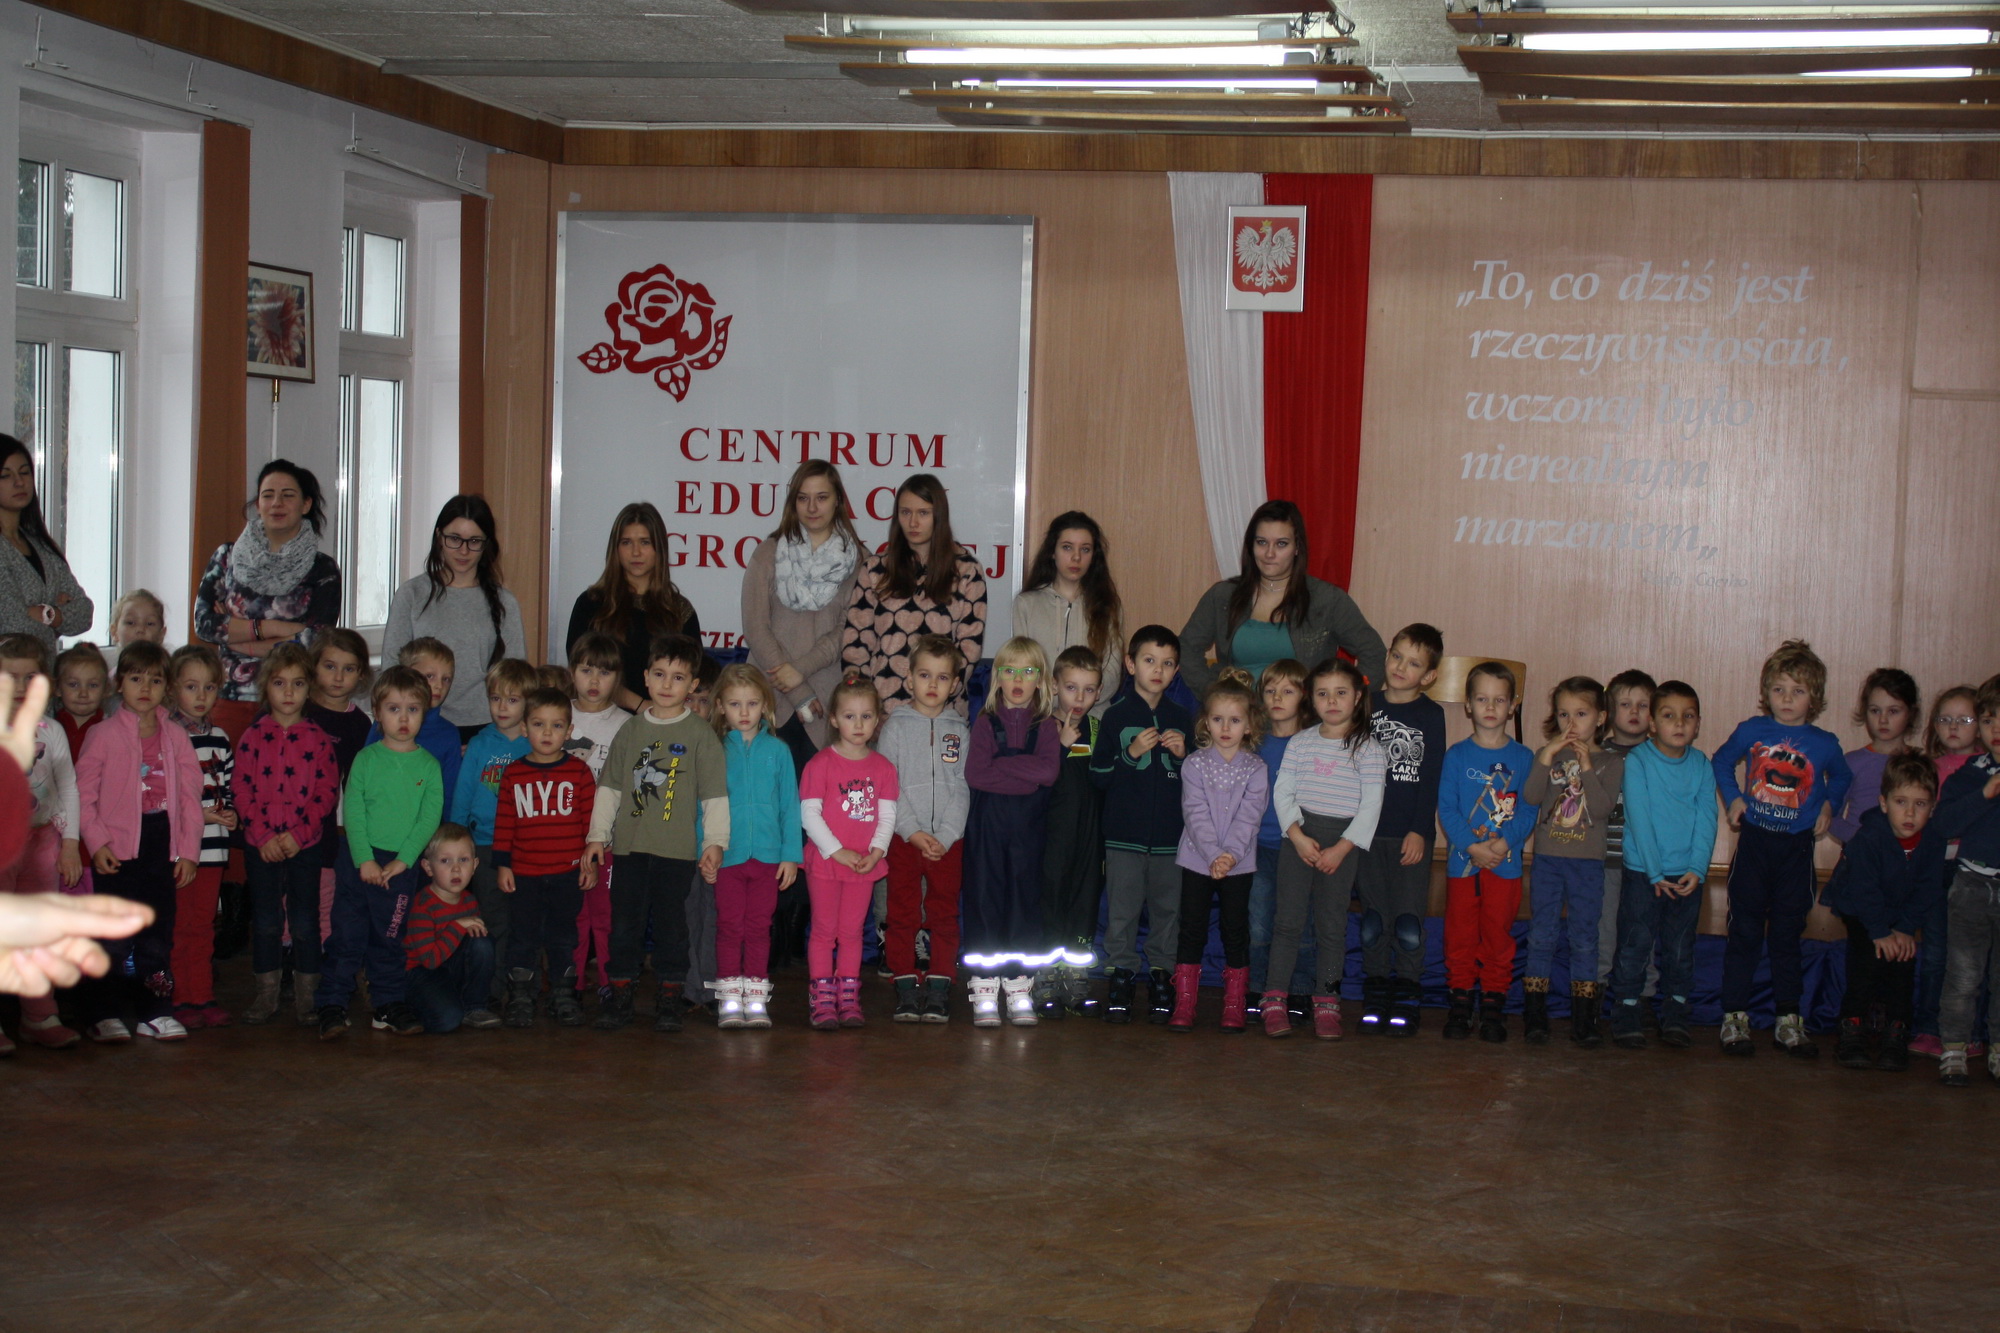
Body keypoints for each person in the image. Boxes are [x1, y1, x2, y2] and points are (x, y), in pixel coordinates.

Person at [1711, 639, 1852, 1059]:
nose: (1787, 699)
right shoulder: (1751, 731)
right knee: (1744, 931)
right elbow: (1721, 761)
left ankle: (1789, 1019)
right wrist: (1733, 799)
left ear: (1815, 697)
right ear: (1766, 693)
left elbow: (1842, 777)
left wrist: (1828, 804)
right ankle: (1734, 1015)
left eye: (1798, 691)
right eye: (1779, 690)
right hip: (1755, 846)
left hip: (1795, 852)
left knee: (1788, 935)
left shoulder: (1824, 743)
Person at [585, 633, 729, 1034]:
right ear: (646, 677)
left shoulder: (700, 735)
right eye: (660, 674)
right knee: (624, 926)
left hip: (677, 853)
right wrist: (597, 835)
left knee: (672, 929)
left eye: (678, 677)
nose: (668, 684)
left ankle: (669, 998)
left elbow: (714, 795)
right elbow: (610, 788)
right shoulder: (630, 731)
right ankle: (620, 995)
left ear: (692, 685)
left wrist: (715, 842)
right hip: (629, 850)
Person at [74, 641, 202, 1043]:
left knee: (156, 936)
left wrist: (188, 852)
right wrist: (97, 842)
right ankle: (104, 1013)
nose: (145, 688)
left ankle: (155, 1012)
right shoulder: (102, 735)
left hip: (161, 846)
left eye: (155, 680)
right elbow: (83, 795)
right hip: (116, 850)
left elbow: (190, 798)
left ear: (167, 687)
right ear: (119, 684)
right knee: (111, 937)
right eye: (135, 678)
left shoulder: (176, 737)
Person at [314, 666, 443, 1041]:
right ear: (377, 712)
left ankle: (387, 1004)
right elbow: (352, 812)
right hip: (359, 860)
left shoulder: (429, 766)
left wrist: (404, 860)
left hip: (400, 867)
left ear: (424, 713)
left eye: (412, 709)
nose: (403, 718)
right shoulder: (366, 759)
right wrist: (364, 859)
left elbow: (428, 818)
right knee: (347, 936)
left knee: (390, 938)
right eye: (393, 709)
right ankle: (332, 1003)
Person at [1265, 659, 1384, 1040]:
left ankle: (1327, 1001)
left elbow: (1371, 806)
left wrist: (1342, 848)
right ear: (1311, 699)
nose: (1331, 701)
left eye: (1340, 693)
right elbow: (1283, 792)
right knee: (1287, 922)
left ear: (1357, 697)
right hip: (1299, 839)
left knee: (1331, 926)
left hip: (1341, 845)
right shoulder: (1300, 742)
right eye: (1322, 693)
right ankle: (1274, 999)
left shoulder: (1369, 749)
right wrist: (1297, 836)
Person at [193, 459, 342, 739]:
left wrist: (237, 636)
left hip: (294, 703)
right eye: (268, 495)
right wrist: (275, 629)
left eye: (288, 495)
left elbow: (316, 640)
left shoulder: (323, 569)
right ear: (258, 504)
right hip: (230, 697)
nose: (277, 503)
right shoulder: (227, 557)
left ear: (306, 505)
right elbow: (205, 624)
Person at [1089, 624, 1192, 1026]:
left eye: (1167, 663)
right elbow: (1099, 776)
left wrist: (1184, 758)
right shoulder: (1115, 716)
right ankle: (1122, 975)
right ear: (1131, 665)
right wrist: (1130, 754)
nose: (1158, 670)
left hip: (1171, 840)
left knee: (1168, 912)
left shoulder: (1181, 717)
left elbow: (1198, 783)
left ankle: (1162, 977)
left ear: (1176, 670)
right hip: (1124, 838)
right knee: (1122, 912)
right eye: (1149, 660)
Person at [1177, 499, 1385, 696]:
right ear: (1251, 546)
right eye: (1262, 542)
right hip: (1236, 718)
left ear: (1297, 548)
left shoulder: (1327, 600)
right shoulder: (1223, 596)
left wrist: (1348, 702)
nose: (1269, 553)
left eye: (1281, 544)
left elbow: (1374, 653)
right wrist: (1213, 694)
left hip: (1302, 719)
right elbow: (1186, 648)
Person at [232, 644, 339, 1027]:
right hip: (260, 846)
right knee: (265, 921)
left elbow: (326, 793)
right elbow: (240, 789)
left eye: (298, 683)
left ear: (309, 688)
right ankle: (267, 995)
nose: (289, 692)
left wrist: (298, 835)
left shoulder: (318, 739)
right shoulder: (252, 736)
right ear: (266, 687)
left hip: (304, 846)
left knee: (305, 921)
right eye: (279, 683)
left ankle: (308, 998)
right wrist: (262, 836)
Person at [1608, 682, 1717, 1051]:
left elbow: (1707, 819)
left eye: (1688, 716)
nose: (1679, 723)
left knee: (1680, 948)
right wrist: (1654, 872)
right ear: (1653, 724)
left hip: (1686, 877)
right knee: (1635, 944)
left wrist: (1697, 869)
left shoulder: (1701, 765)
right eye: (1669, 716)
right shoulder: (1639, 761)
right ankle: (1626, 1011)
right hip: (1644, 874)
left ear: (1698, 724)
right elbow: (1639, 819)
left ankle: (1675, 1014)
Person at [961, 637, 1063, 1028]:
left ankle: (1019, 985)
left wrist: (1003, 766)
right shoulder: (985, 723)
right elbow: (976, 775)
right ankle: (985, 986)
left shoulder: (1047, 726)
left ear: (1041, 680)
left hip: (1029, 832)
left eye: (1027, 671)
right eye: (1009, 671)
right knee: (985, 899)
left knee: (1024, 903)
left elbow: (1048, 773)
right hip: (988, 829)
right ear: (997, 677)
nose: (1018, 680)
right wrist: (1024, 774)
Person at [1518, 676, 1624, 1048]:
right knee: (1541, 936)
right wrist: (1546, 756)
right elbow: (1531, 797)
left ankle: (1584, 1019)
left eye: (1581, 714)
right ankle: (1535, 1016)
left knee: (1584, 938)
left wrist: (1586, 766)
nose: (1571, 723)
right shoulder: (1548, 755)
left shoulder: (1611, 762)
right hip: (1548, 860)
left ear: (1601, 717)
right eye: (1564, 714)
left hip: (1587, 864)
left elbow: (1602, 808)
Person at [1825, 751, 1943, 1073]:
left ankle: (1896, 1032)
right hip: (1861, 909)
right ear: (1884, 803)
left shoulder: (1933, 840)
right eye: (1901, 802)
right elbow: (1864, 890)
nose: (1910, 812)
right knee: (1867, 960)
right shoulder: (1869, 837)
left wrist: (1905, 928)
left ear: (1932, 807)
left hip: (1900, 910)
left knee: (1903, 961)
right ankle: (1851, 1029)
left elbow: (1928, 888)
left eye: (1920, 804)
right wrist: (1879, 932)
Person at [1438, 661, 1537, 1044]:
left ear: (1513, 705)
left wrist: (1502, 843)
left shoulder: (1524, 758)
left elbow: (1528, 809)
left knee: (1498, 935)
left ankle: (1494, 1002)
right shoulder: (1457, 755)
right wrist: (1472, 846)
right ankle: (1461, 1001)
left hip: (1504, 865)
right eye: (1482, 699)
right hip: (1463, 865)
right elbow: (1447, 808)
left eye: (1499, 699)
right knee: (1460, 935)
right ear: (1468, 705)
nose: (1491, 707)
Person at [741, 460, 862, 759]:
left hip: (827, 702)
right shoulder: (767, 553)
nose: (812, 507)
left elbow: (848, 630)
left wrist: (800, 670)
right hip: (766, 697)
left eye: (822, 497)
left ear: (838, 501)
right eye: (803, 498)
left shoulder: (860, 561)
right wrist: (798, 691)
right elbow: (755, 629)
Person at [1169, 669, 1268, 1035]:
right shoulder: (1194, 764)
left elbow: (1250, 817)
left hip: (1238, 866)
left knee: (1235, 930)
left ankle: (1234, 1004)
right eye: (1217, 719)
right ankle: (1184, 1003)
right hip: (1197, 861)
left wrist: (1229, 856)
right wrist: (1213, 854)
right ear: (1205, 722)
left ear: (1249, 725)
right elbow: (1194, 813)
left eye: (1235, 720)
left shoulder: (1256, 769)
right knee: (1192, 930)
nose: (1225, 728)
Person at [492, 687, 597, 1029]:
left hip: (567, 874)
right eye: (538, 724)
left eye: (556, 725)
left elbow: (591, 824)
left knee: (563, 937)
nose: (547, 733)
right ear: (525, 728)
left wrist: (591, 864)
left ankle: (563, 995)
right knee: (522, 937)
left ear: (569, 731)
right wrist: (503, 864)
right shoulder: (514, 773)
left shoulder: (580, 773)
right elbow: (504, 822)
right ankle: (521, 996)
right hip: (524, 874)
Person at [702, 665, 800, 1030]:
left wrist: (791, 855)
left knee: (759, 927)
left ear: (766, 706)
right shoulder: (713, 751)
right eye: (735, 704)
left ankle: (756, 995)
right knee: (729, 926)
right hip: (728, 856)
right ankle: (730, 996)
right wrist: (706, 847)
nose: (744, 712)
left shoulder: (778, 751)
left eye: (753, 703)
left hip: (768, 858)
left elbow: (790, 806)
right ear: (720, 706)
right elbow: (703, 804)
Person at [878, 636, 970, 1024]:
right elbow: (888, 786)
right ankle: (904, 984)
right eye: (925, 675)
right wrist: (912, 831)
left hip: (947, 843)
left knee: (944, 913)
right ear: (909, 679)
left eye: (942, 677)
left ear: (955, 684)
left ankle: (939, 984)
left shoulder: (959, 729)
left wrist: (946, 835)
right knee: (902, 912)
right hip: (905, 839)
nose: (933, 684)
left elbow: (962, 786)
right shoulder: (896, 727)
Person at [382, 496, 528, 739]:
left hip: (485, 728)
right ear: (439, 537)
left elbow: (516, 678)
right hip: (419, 724)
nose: (463, 550)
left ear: (486, 544)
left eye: (474, 541)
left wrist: (491, 741)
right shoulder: (412, 594)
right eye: (454, 539)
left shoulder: (505, 602)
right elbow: (390, 667)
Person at [1358, 625, 1444, 1036]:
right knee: (1373, 920)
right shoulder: (1366, 705)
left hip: (1410, 835)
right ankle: (1375, 989)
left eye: (1413, 663)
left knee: (1408, 923)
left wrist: (1420, 831)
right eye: (1396, 656)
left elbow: (1431, 777)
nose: (1400, 667)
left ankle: (1408, 991)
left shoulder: (1431, 715)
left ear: (1428, 675)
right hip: (1368, 833)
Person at [798, 672, 897, 1030]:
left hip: (863, 864)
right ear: (835, 719)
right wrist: (837, 851)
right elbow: (809, 814)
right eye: (850, 716)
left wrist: (877, 851)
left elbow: (887, 816)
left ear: (877, 720)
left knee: (853, 931)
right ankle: (823, 996)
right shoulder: (820, 764)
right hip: (828, 862)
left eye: (866, 716)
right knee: (825, 930)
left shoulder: (883, 768)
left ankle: (849, 994)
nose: (858, 724)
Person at [841, 474, 987, 714]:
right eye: (906, 512)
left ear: (939, 516)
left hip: (940, 713)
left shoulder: (967, 571)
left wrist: (931, 705)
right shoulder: (875, 568)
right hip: (880, 713)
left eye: (923, 513)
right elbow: (856, 643)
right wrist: (866, 707)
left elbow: (968, 651)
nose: (913, 522)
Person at [0, 638, 82, 1048]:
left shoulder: (53, 732)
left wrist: (70, 843)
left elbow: (67, 788)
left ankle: (39, 1016)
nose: (19, 686)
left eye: (29, 676)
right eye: (9, 676)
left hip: (42, 843)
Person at [566, 502, 703, 714]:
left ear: (659, 548)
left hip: (660, 722)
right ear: (615, 549)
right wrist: (639, 705)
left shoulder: (679, 610)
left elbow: (691, 674)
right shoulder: (591, 604)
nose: (636, 552)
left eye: (645, 542)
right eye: (627, 542)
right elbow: (580, 672)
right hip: (599, 718)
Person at [449, 658, 536, 984]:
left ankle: (522, 985)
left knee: (525, 919)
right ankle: (494, 986)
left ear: (527, 702)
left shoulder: (534, 743)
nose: (502, 707)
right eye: (495, 698)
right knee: (493, 917)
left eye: (512, 700)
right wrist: (458, 839)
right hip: (484, 845)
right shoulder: (480, 743)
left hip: (525, 848)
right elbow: (463, 793)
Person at [165, 644, 236, 1032]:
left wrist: (231, 813)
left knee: (204, 924)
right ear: (173, 687)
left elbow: (227, 786)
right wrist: (199, 815)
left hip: (213, 847)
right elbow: (164, 795)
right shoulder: (167, 734)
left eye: (209, 687)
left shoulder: (220, 738)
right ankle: (178, 997)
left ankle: (203, 994)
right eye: (191, 686)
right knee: (179, 925)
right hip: (180, 848)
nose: (201, 696)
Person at [1935, 678, 2000, 1087]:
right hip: (1972, 884)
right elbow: (1943, 824)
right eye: (1989, 720)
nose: (1996, 729)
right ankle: (1954, 1048)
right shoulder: (1969, 775)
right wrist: (1985, 795)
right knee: (1963, 974)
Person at [1912, 684, 1982, 1058]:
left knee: (1971, 957)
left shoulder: (1986, 770)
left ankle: (1971, 1032)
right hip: (1936, 870)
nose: (1953, 727)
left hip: (1975, 873)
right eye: (1945, 719)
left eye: (1965, 719)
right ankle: (1929, 1028)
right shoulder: (1929, 769)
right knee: (1936, 953)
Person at [1037, 645, 1106, 1018]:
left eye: (1089, 690)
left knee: (1084, 904)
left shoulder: (1096, 730)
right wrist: (1060, 748)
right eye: (1071, 688)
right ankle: (1045, 977)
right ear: (1054, 686)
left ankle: (1075, 976)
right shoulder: (1041, 728)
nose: (1079, 698)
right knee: (1050, 903)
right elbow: (1036, 782)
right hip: (1052, 837)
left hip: (1089, 838)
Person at [563, 632, 629, 995]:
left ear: (617, 678)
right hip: (564, 839)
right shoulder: (559, 715)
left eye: (604, 672)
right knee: (572, 915)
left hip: (608, 841)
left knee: (605, 916)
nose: (594, 680)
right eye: (586, 670)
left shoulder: (625, 724)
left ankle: (609, 983)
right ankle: (569, 984)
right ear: (572, 671)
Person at [1249, 660, 1314, 1023]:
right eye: (1271, 690)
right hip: (1258, 846)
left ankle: (1300, 989)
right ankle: (1257, 987)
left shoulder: (1313, 743)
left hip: (1298, 847)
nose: (1277, 697)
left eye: (1287, 691)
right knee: (1258, 923)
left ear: (1303, 697)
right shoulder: (1254, 742)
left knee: (1300, 924)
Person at [1013, 511, 1124, 709]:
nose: (1076, 557)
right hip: (1040, 714)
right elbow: (1023, 668)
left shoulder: (1108, 606)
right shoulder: (1026, 604)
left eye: (1085, 549)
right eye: (1067, 547)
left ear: (1094, 556)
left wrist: (1078, 702)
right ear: (1052, 552)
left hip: (1092, 715)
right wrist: (1053, 711)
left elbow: (1112, 674)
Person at [304, 628, 373, 946]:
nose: (338, 677)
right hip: (286, 821)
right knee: (287, 898)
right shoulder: (297, 708)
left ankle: (321, 956)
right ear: (314, 666)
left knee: (326, 896)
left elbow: (358, 785)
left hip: (331, 828)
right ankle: (287, 957)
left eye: (349, 669)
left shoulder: (360, 724)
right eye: (330, 666)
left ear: (361, 675)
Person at [401, 825, 502, 1034]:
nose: (456, 869)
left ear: (475, 865)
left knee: (483, 942)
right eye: (445, 861)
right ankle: (411, 1005)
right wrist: (457, 926)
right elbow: (430, 961)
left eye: (463, 860)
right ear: (428, 867)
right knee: (447, 1021)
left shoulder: (469, 900)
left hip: (449, 967)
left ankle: (475, 1007)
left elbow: (474, 951)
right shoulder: (423, 906)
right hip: (422, 972)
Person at [0, 435, 92, 655]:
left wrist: (47, 613)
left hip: (44, 672)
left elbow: (84, 613)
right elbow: (13, 624)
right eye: (5, 475)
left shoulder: (41, 545)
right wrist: (58, 618)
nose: (19, 482)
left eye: (24, 472)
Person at [1829, 667, 1920, 846]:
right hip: (1860, 855)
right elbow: (1831, 816)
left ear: (1911, 713)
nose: (1883, 720)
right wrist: (1862, 840)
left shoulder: (1921, 763)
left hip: (1907, 857)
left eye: (1893, 711)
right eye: (1875, 710)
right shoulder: (1852, 762)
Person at [366, 638, 464, 801]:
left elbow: (449, 791)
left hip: (430, 815)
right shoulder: (386, 722)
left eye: (446, 679)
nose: (439, 685)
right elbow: (366, 773)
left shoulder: (449, 734)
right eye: (430, 676)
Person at [54, 644, 109, 761]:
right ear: (58, 688)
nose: (83, 694)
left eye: (92, 685)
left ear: (105, 689)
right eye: (73, 684)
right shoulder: (49, 728)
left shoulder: (112, 729)